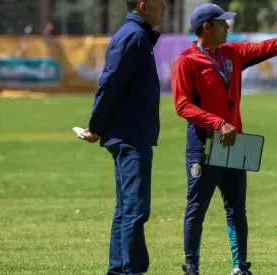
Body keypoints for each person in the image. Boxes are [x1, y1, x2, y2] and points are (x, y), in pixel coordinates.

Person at [170, 3, 277, 275]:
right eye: (222, 23)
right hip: (203, 147)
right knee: (197, 208)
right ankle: (191, 267)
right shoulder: (186, 61)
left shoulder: (232, 53)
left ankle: (240, 268)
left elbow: (272, 46)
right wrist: (217, 123)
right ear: (206, 27)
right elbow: (182, 105)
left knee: (237, 209)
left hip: (234, 145)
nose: (228, 27)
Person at [78, 1, 166, 274]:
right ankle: (133, 271)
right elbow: (111, 81)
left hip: (130, 133)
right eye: (159, 2)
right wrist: (96, 125)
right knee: (136, 210)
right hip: (131, 135)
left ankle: (118, 271)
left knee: (126, 209)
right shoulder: (133, 36)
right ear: (143, 6)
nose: (164, 6)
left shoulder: (137, 35)